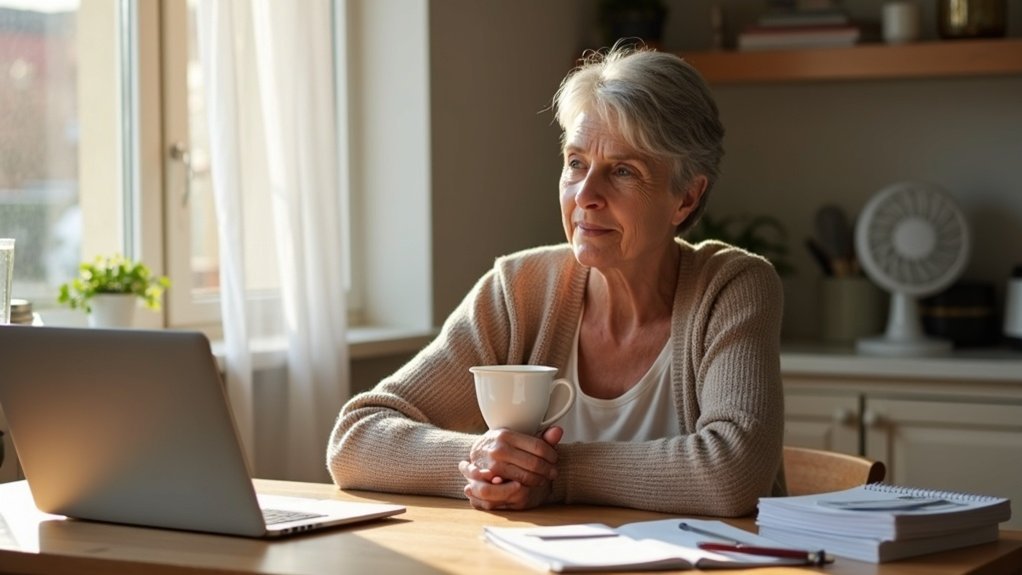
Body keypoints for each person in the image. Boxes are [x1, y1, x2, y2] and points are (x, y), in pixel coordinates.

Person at [327, 44, 785, 516]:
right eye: (576, 162)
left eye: (624, 171)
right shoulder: (519, 289)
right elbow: (355, 438)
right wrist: (480, 462)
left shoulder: (732, 288)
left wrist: (554, 472)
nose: (586, 195)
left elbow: (734, 474)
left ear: (686, 198)